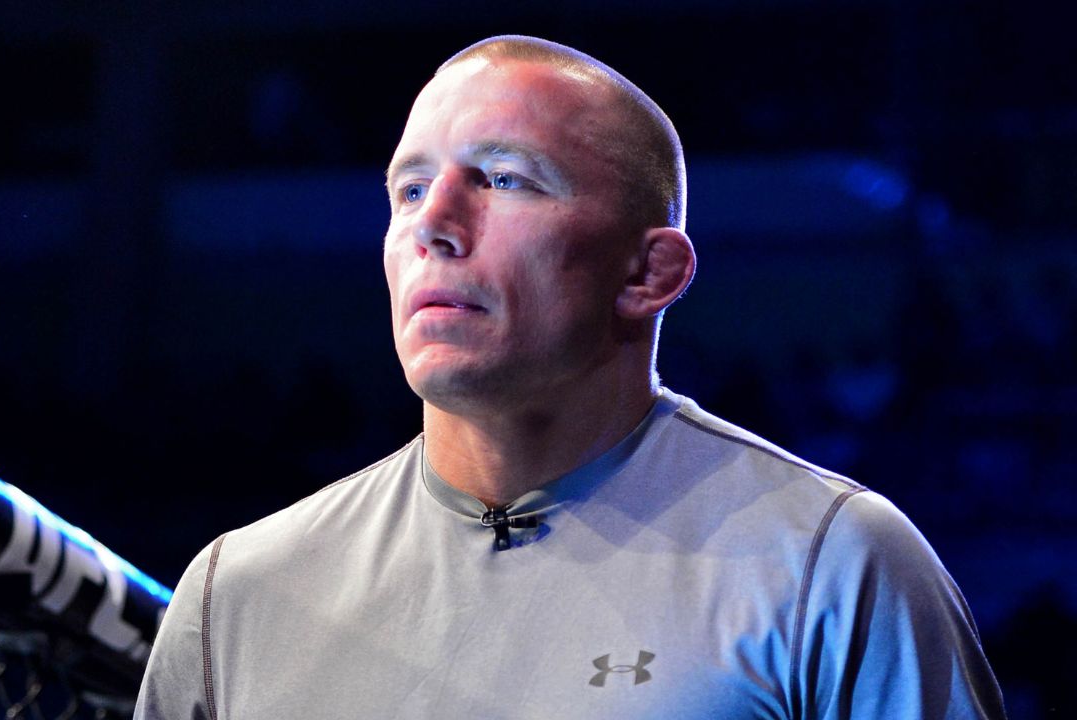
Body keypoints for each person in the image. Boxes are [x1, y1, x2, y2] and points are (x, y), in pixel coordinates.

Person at [135, 36, 1006, 719]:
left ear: (648, 273)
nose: (433, 224)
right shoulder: (235, 598)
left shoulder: (833, 567)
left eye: (504, 179)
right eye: (410, 190)